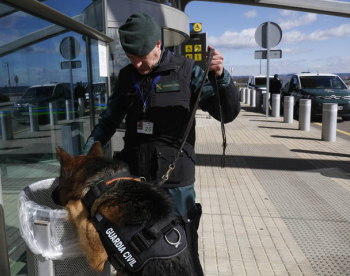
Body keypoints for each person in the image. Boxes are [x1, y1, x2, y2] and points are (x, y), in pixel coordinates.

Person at [82, 13, 240, 275]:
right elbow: (107, 122)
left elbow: (227, 112)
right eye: (132, 59)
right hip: (135, 183)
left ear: (158, 44)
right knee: (136, 251)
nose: (138, 64)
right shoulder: (126, 77)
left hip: (175, 182)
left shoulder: (187, 70)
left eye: (142, 57)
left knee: (183, 251)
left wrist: (221, 77)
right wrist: (85, 159)